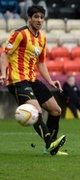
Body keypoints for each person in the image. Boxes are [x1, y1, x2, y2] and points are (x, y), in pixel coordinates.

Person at [0, 5, 67, 155]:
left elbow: (41, 63)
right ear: (29, 18)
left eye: (42, 17)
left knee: (56, 110)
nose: (39, 20)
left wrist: (50, 81)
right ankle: (50, 144)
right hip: (17, 81)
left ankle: (51, 148)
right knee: (36, 111)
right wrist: (3, 74)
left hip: (32, 79)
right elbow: (5, 54)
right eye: (36, 17)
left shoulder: (42, 38)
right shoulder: (19, 34)